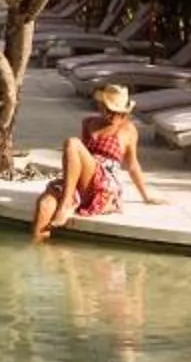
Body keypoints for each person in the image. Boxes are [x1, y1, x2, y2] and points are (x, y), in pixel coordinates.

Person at [31, 81, 154, 242]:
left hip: (104, 184)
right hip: (83, 180)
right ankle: (39, 251)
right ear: (101, 106)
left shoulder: (128, 130)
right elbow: (79, 159)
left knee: (72, 143)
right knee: (45, 204)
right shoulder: (88, 123)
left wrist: (146, 196)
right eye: (110, 111)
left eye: (119, 113)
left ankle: (67, 202)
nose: (114, 116)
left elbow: (132, 164)